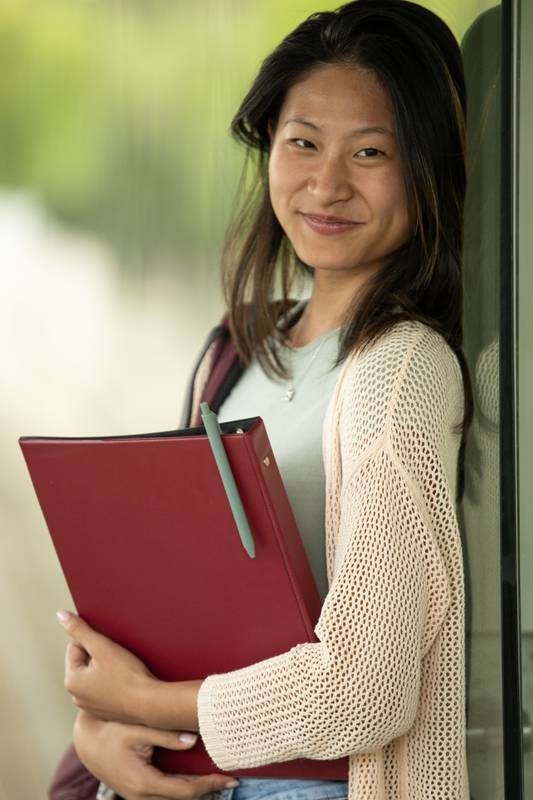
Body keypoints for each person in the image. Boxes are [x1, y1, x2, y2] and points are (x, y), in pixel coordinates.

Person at [55, 1, 474, 798]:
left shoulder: (402, 368)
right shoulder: (236, 349)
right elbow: (173, 597)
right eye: (302, 143)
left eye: (372, 151)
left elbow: (365, 690)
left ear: (427, 169)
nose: (326, 183)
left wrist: (146, 705)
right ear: (269, 148)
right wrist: (103, 728)